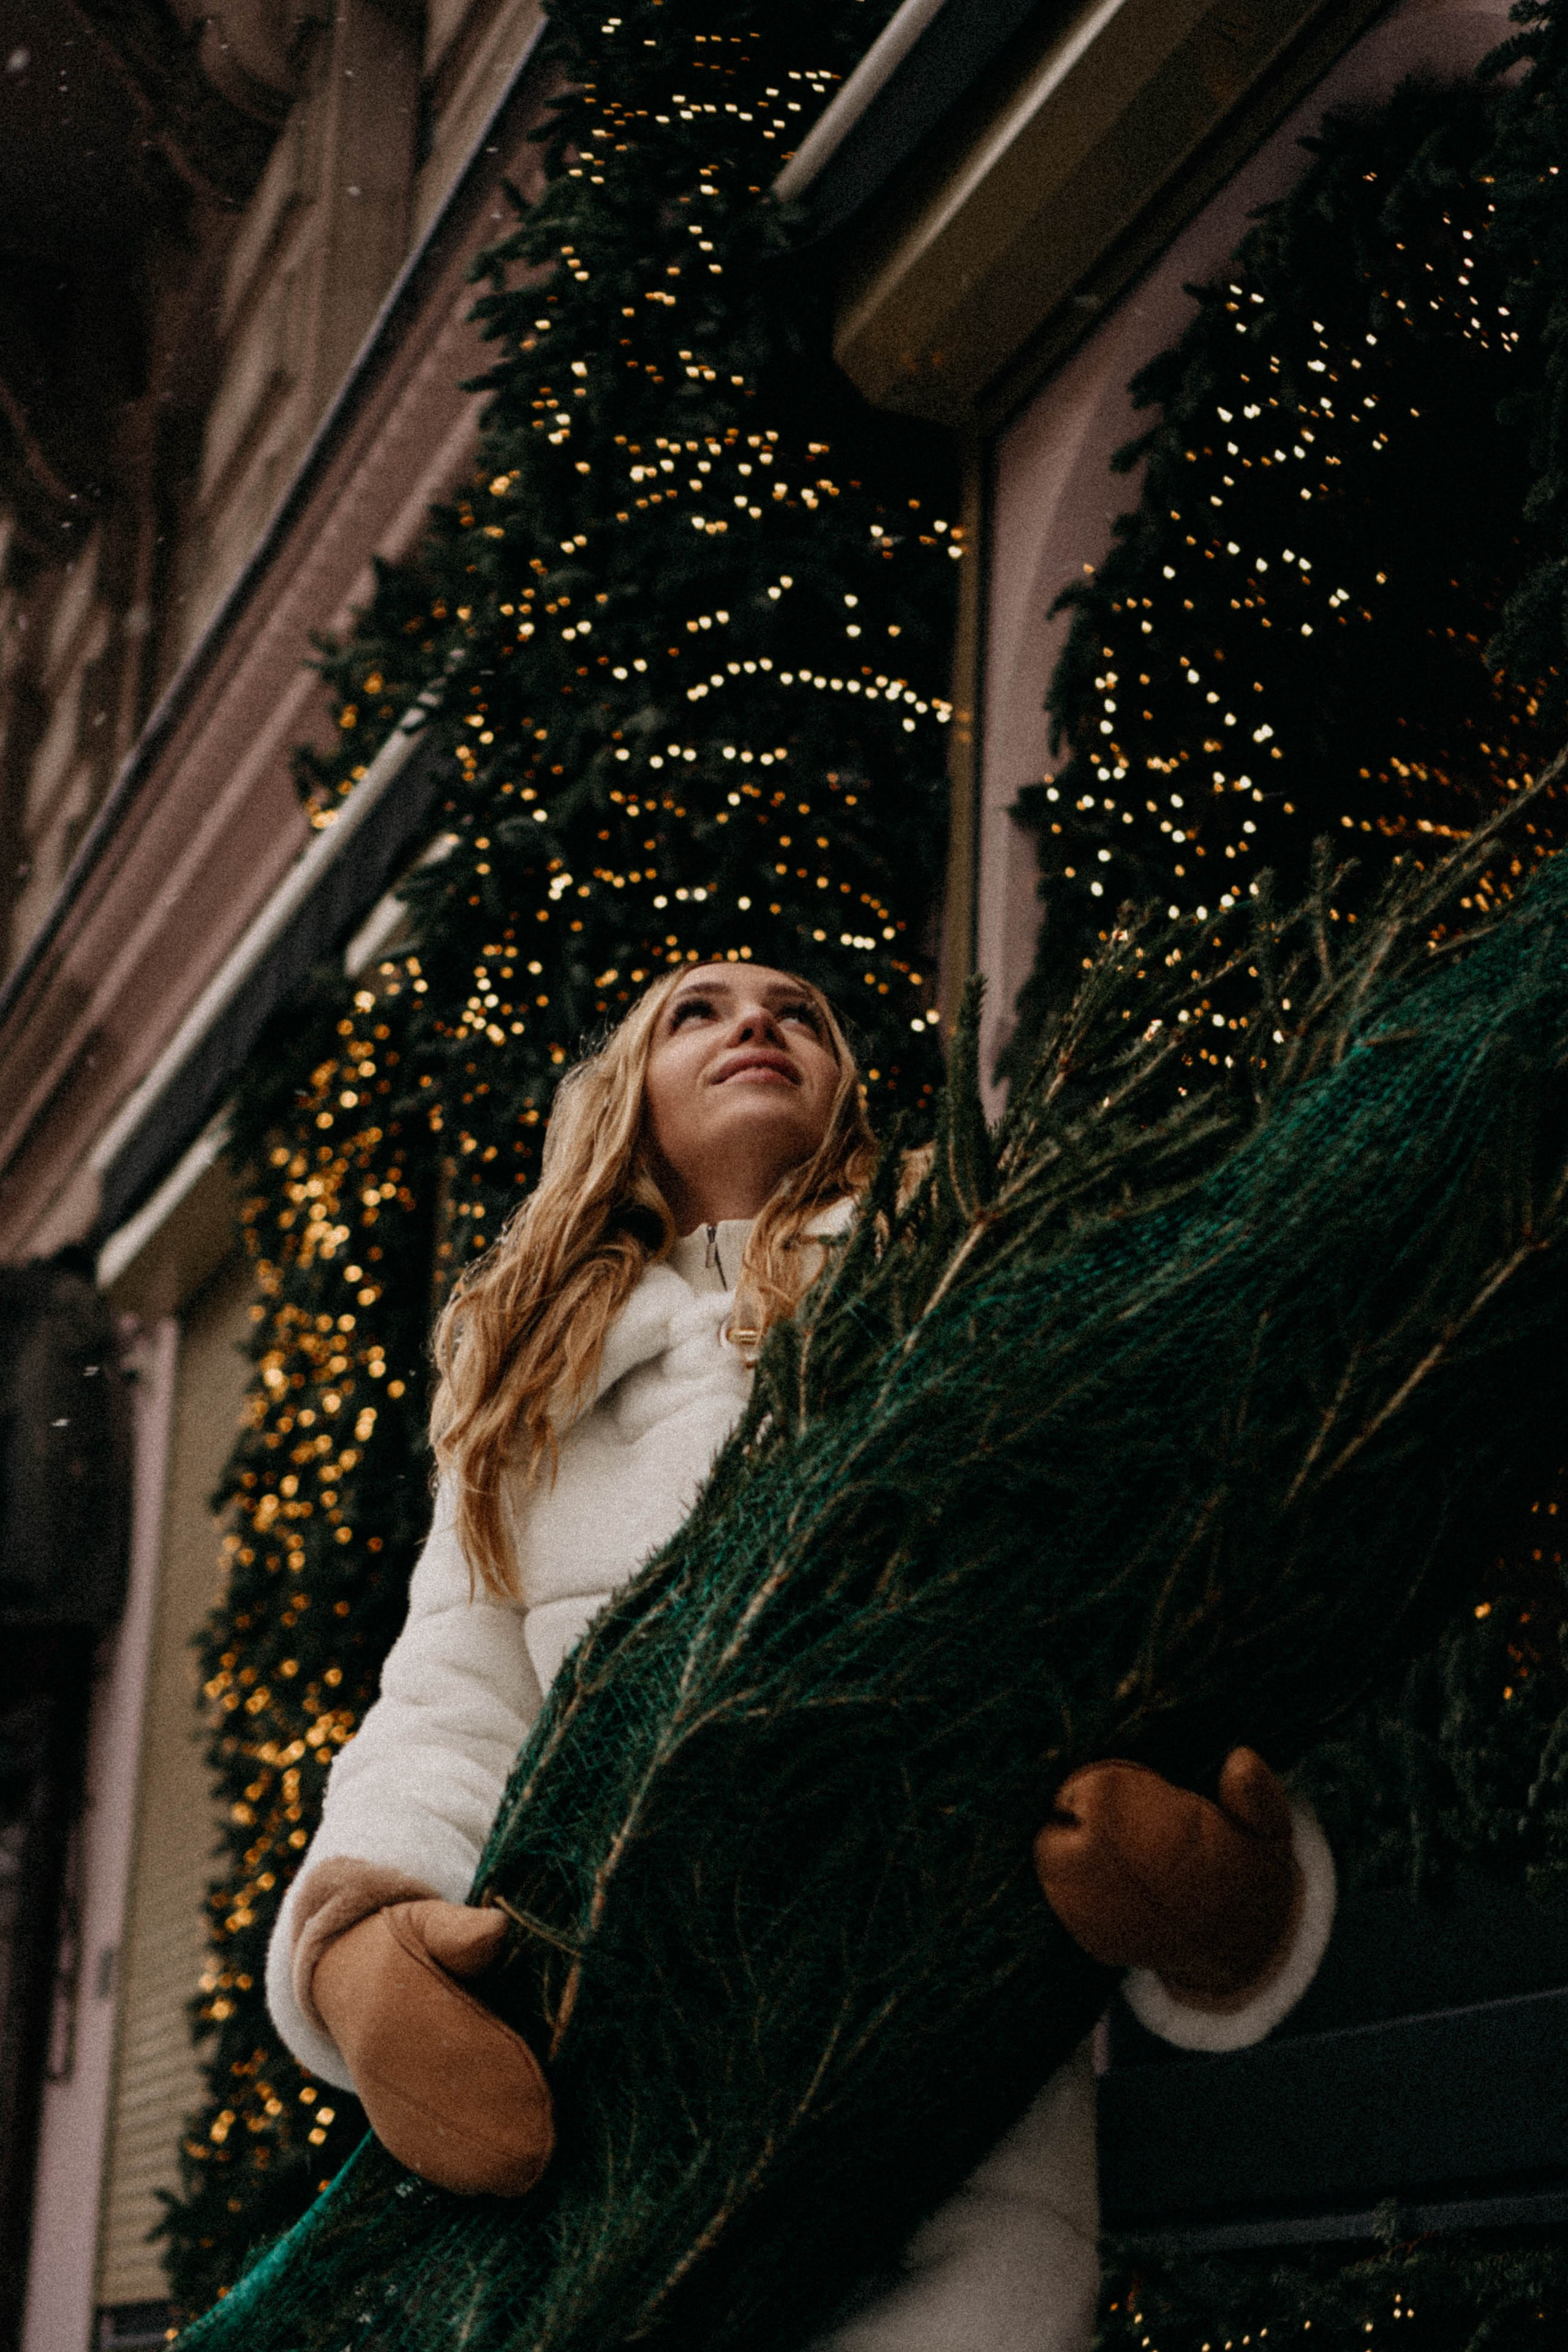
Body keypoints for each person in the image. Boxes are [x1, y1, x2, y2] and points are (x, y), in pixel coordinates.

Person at [266, 960, 1336, 2351]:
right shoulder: (531, 1399)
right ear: (623, 1099)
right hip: (626, 2101)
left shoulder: (960, 1295)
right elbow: (449, 1709)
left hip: (950, 2083)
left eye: (798, 1012)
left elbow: (1120, 1611)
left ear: (843, 1093)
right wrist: (354, 1953)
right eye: (693, 1012)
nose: (754, 1022)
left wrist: (1222, 1898)